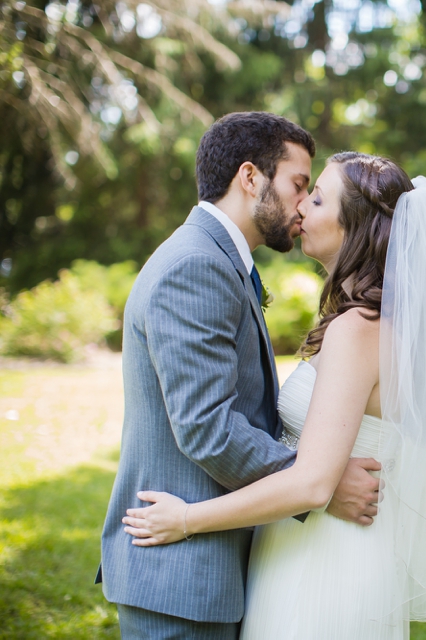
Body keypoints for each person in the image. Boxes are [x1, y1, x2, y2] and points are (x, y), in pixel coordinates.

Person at [121, 152, 426, 639]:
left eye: (316, 198)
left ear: (357, 224)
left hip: (321, 565)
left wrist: (185, 519)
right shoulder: (373, 324)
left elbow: (312, 485)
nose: (300, 210)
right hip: (308, 548)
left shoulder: (358, 329)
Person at [99, 114, 382, 639]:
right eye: (299, 185)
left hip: (211, 566)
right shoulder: (196, 266)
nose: (303, 205)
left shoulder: (219, 261)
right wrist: (317, 482)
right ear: (250, 178)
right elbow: (208, 428)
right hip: (181, 576)